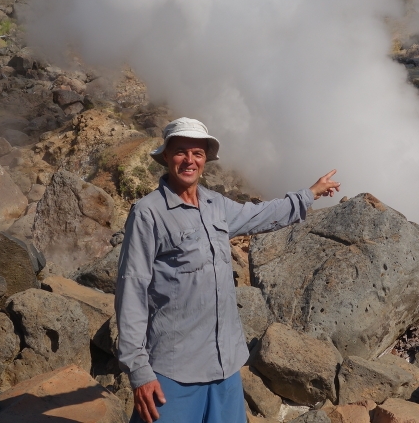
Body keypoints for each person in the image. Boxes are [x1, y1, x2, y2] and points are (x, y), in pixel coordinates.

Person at [115, 117, 340, 423]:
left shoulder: (215, 204)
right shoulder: (147, 214)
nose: (189, 160)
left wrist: (309, 193)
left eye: (197, 153)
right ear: (166, 156)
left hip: (224, 366)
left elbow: (261, 215)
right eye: (181, 151)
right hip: (173, 369)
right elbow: (131, 292)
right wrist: (139, 371)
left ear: (205, 158)